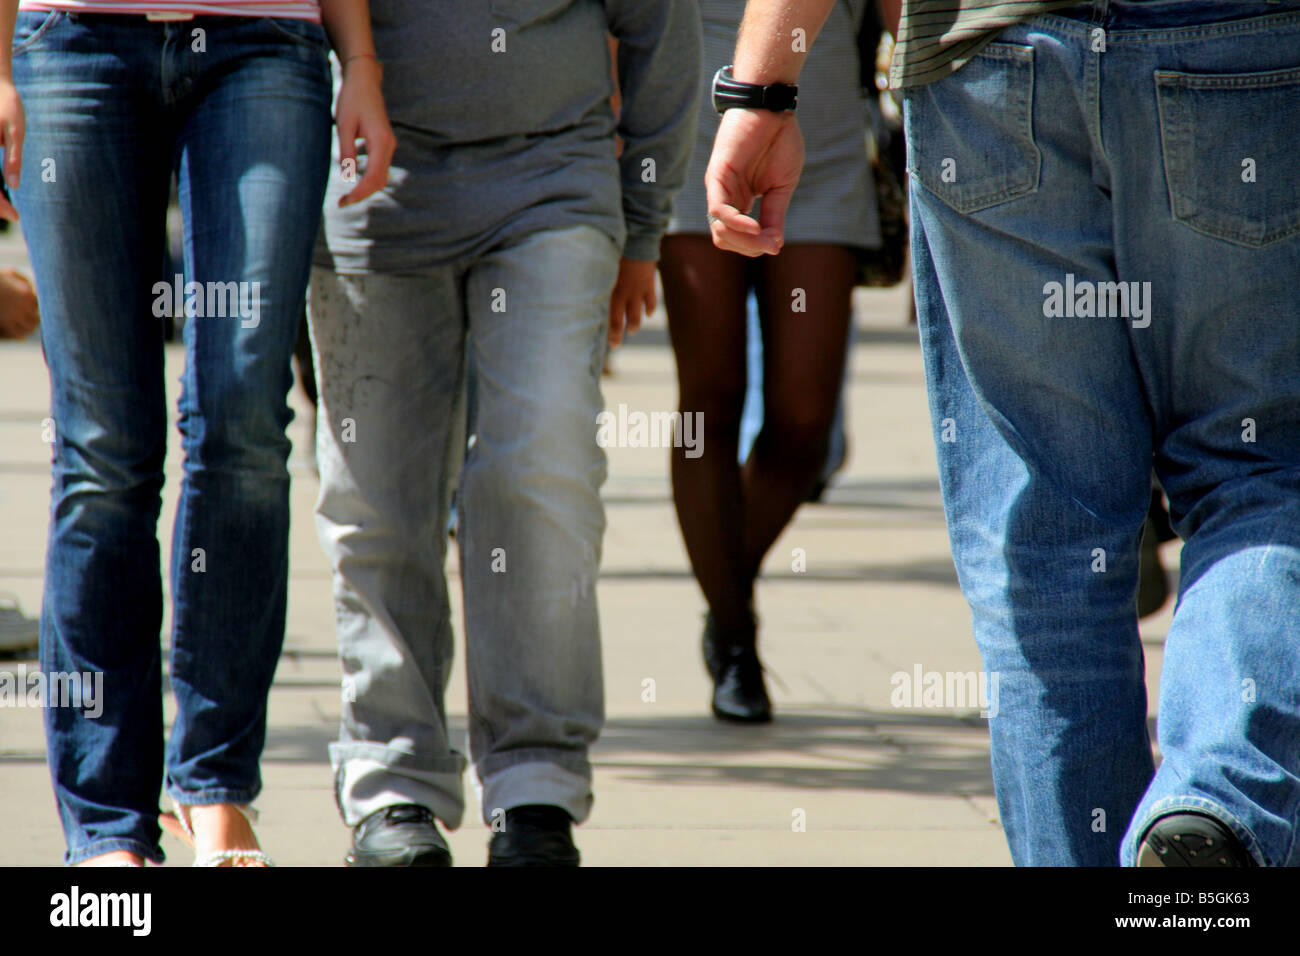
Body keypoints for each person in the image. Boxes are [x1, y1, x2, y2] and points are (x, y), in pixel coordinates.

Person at [707, 0, 1300, 866]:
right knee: (1262, 468)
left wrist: (762, 89)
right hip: (1238, 44)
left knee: (1047, 538)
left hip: (991, 55)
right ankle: (1216, 793)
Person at [1, 0, 393, 866]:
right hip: (71, 38)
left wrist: (359, 57)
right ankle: (109, 823)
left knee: (245, 417)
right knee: (102, 447)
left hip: (266, 38)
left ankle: (212, 786)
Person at [309, 0, 699, 866]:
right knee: (376, 499)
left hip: (549, 183)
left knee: (539, 465)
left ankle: (535, 786)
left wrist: (643, 225)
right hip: (372, 179)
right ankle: (392, 781)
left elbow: (662, 38)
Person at [661, 0, 877, 722]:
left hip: (827, 122)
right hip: (692, 113)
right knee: (710, 397)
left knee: (804, 419)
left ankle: (727, 585)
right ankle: (735, 633)